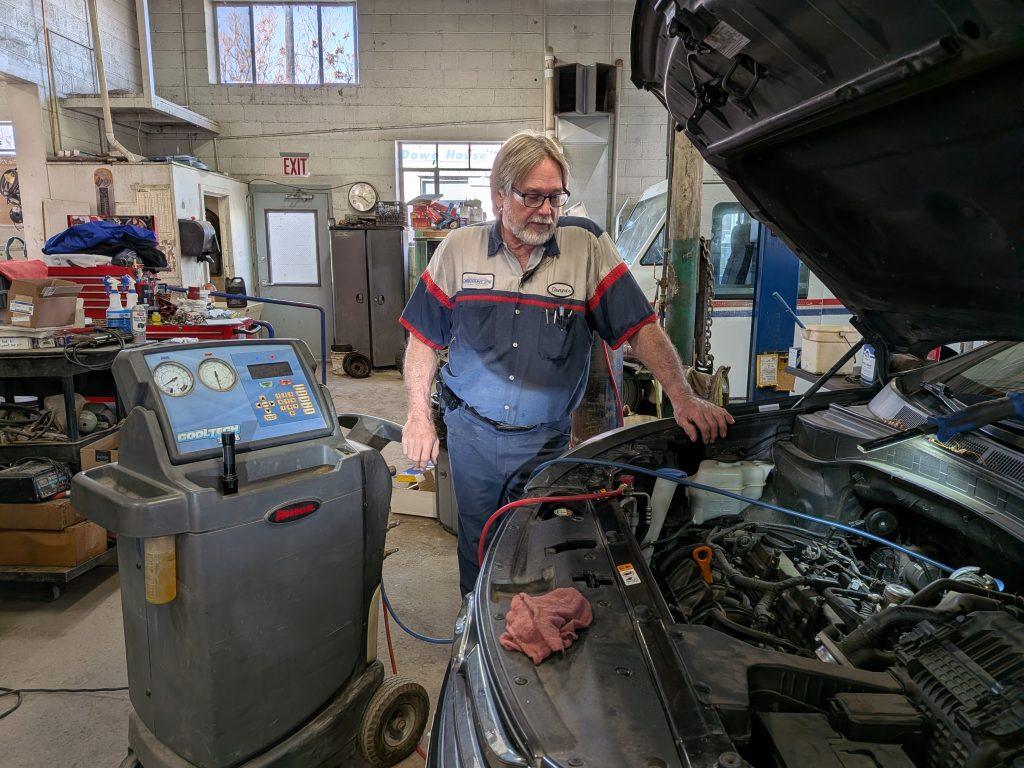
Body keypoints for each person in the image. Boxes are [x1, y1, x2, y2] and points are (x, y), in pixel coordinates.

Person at [399, 131, 733, 595]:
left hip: (545, 439)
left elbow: (639, 327)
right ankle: (473, 632)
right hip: (472, 433)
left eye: (555, 196)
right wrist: (418, 415)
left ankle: (525, 630)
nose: (547, 210)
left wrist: (682, 396)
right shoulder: (458, 250)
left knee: (539, 543)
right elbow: (421, 340)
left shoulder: (587, 246)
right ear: (499, 195)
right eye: (532, 196)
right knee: (476, 540)